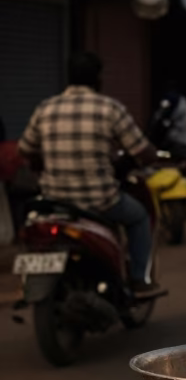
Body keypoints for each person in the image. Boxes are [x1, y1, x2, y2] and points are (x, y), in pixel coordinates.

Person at [19, 52, 159, 290]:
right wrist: (151, 157)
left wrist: (40, 162)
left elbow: (25, 148)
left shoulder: (45, 108)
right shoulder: (110, 108)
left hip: (55, 202)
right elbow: (141, 150)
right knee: (139, 217)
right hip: (100, 201)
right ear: (98, 79)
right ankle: (139, 278)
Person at [149, 82, 186, 150]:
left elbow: (164, 117)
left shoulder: (177, 101)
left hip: (182, 141)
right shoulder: (174, 100)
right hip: (178, 139)